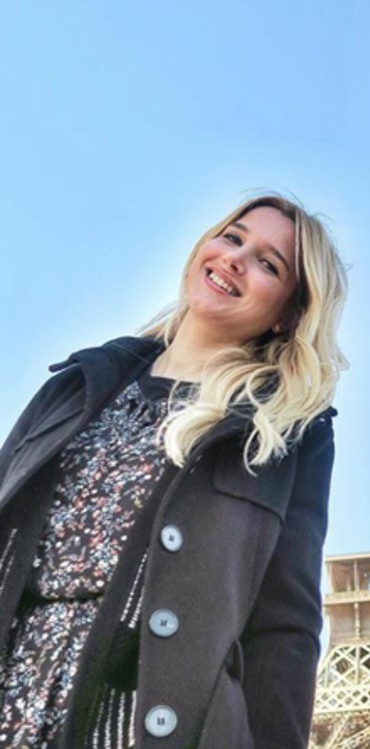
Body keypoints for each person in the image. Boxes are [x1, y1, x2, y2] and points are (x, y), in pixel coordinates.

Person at [0, 193, 348, 749]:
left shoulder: (287, 433)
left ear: (289, 314)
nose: (235, 258)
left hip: (138, 721)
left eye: (268, 263)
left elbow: (284, 629)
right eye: (232, 238)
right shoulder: (75, 386)